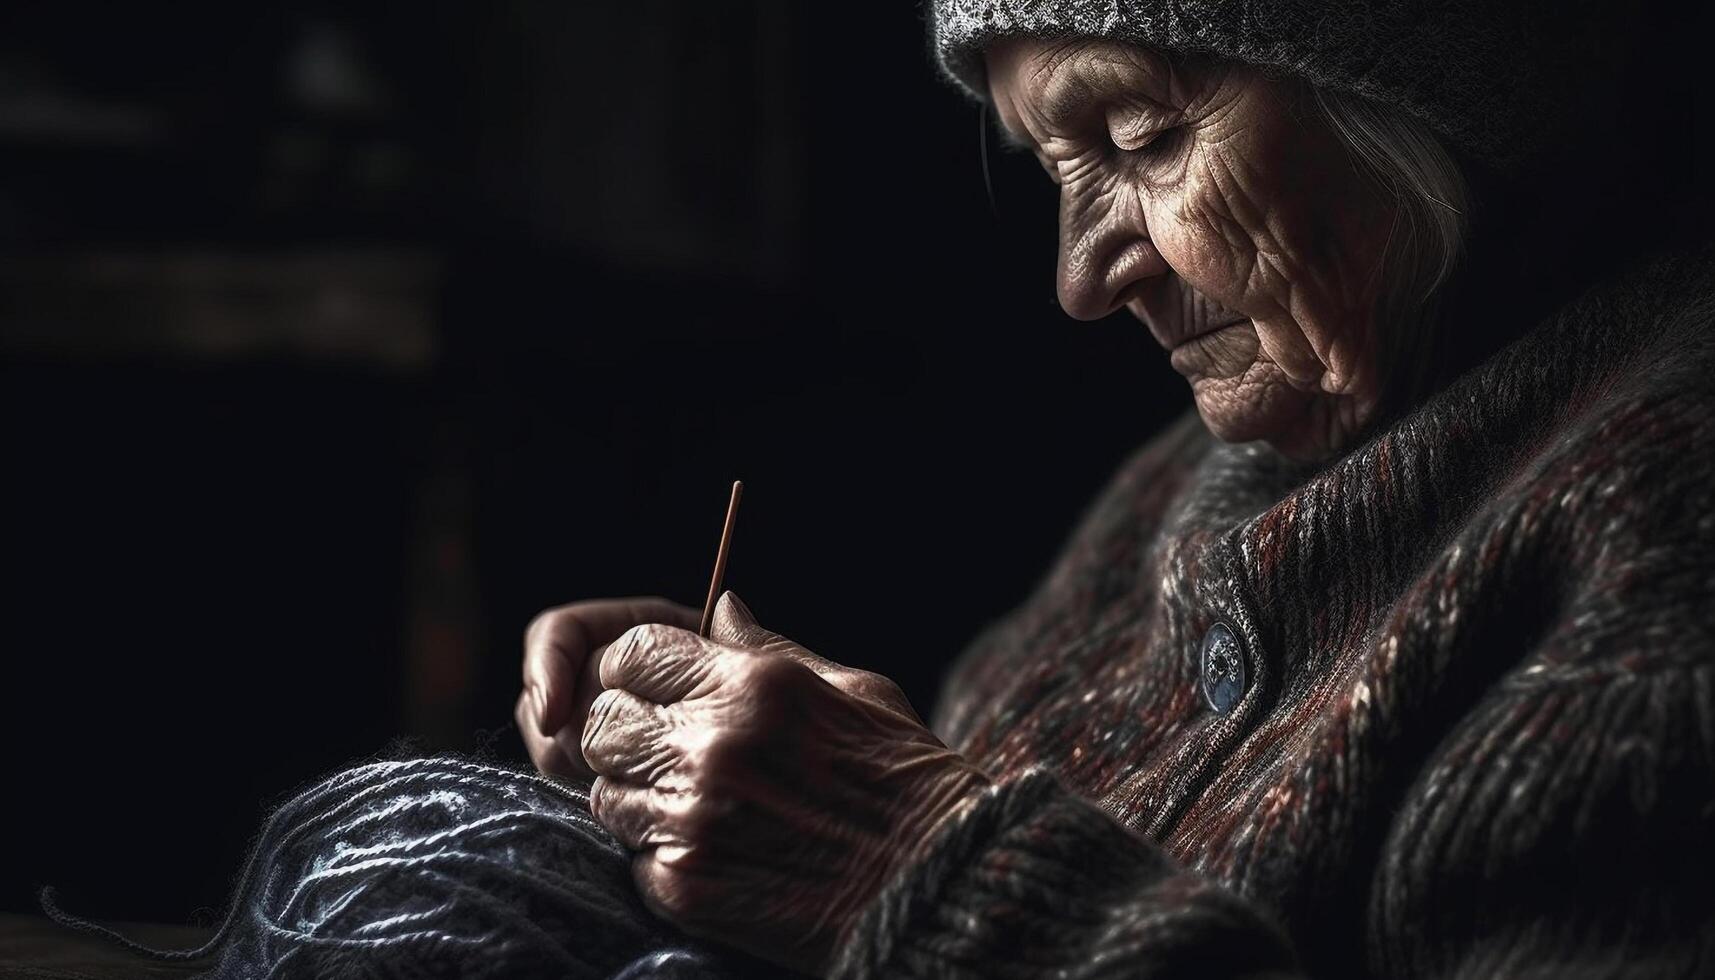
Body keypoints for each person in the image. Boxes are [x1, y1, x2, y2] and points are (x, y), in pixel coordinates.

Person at [514, 2, 1715, 978]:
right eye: (1051, 167)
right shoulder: (1185, 480)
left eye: (1140, 137)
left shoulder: (1659, 541)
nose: (1079, 279)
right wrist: (757, 792)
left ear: (1432, 88)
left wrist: (915, 876)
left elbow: (936, 869)